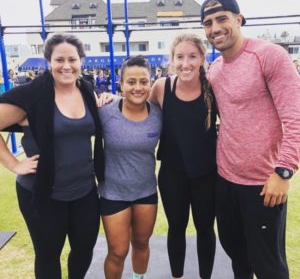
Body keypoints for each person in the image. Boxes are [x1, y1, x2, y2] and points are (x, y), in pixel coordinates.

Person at [201, 0, 300, 279]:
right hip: (226, 180)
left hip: (264, 183)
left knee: (268, 265)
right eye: (208, 23)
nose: (215, 28)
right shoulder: (215, 70)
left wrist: (283, 171)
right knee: (237, 258)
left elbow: (294, 116)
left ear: (239, 19)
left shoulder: (269, 56)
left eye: (222, 19)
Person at [0, 33, 104, 279]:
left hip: (84, 191)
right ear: (49, 62)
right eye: (59, 60)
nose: (66, 66)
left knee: (84, 249)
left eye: (72, 59)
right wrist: (14, 164)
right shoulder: (32, 94)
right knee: (48, 255)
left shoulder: (86, 90)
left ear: (81, 61)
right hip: (42, 193)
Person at [149, 33, 217, 279]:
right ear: (172, 59)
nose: (185, 63)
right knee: (176, 229)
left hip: (207, 175)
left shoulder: (213, 87)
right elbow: (134, 111)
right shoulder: (161, 87)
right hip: (172, 176)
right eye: (180, 57)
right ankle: (177, 276)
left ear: (202, 59)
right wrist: (107, 100)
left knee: (205, 229)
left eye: (192, 56)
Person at [98, 55, 162, 279]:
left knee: (142, 243)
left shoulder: (159, 114)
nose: (137, 87)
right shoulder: (105, 111)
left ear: (151, 82)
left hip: (146, 192)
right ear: (121, 84)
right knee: (118, 251)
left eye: (143, 81)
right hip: (113, 194)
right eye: (131, 82)